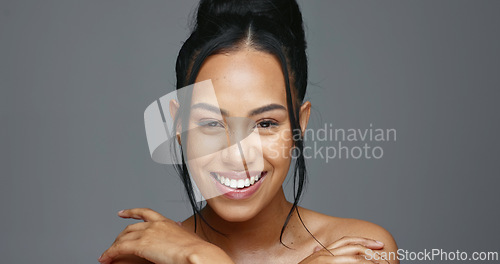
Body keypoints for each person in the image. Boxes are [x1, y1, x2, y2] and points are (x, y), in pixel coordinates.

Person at [99, 0, 398, 263]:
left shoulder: (357, 250)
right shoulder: (144, 260)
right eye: (212, 124)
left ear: (299, 124)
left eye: (265, 124)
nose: (238, 156)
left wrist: (207, 259)